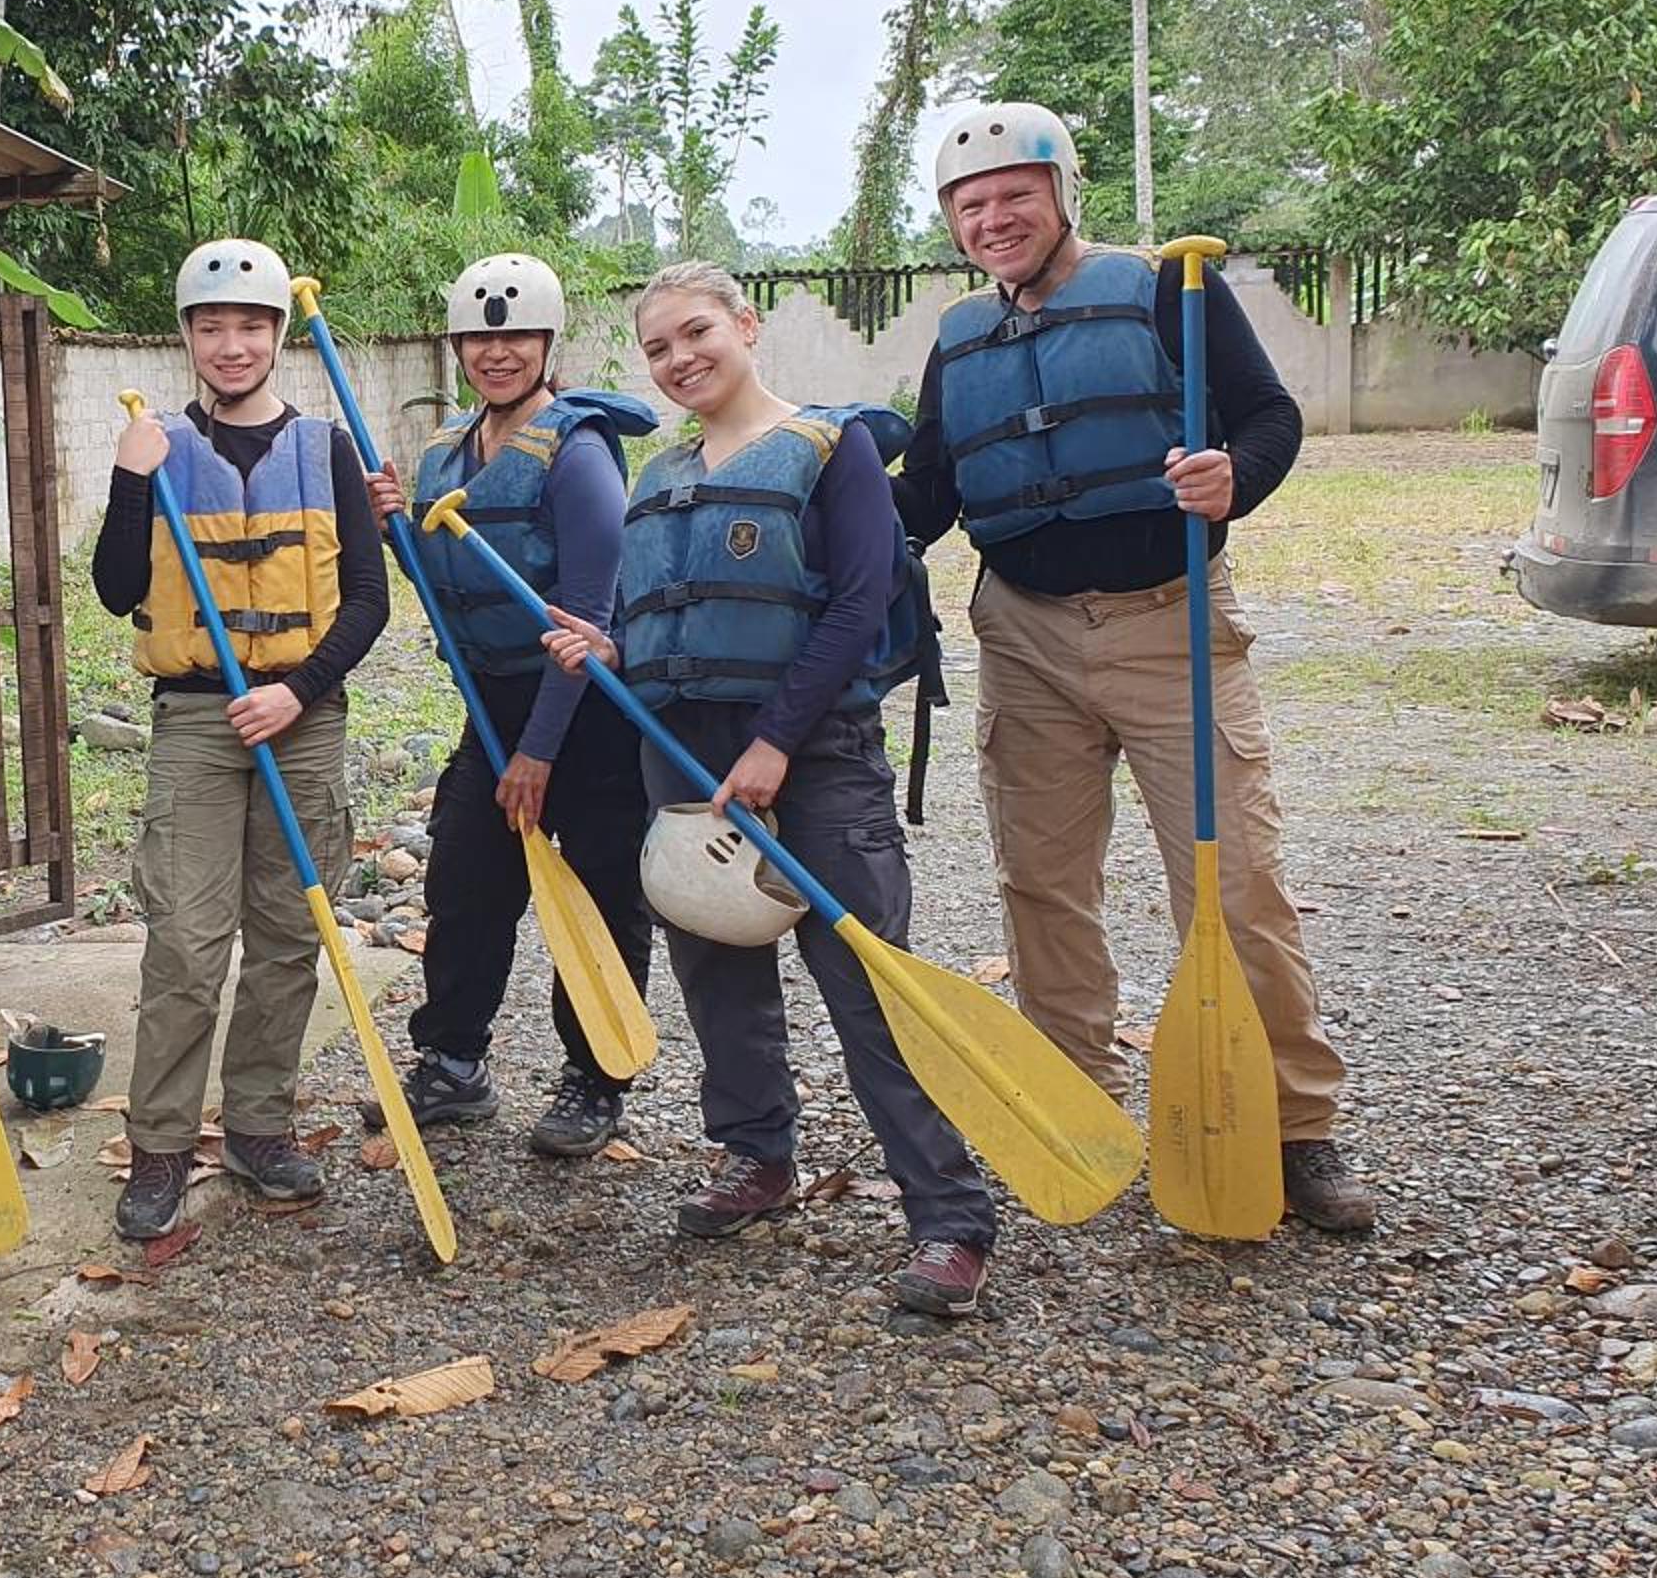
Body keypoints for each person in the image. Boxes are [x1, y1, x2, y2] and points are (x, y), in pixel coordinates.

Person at [897, 102, 1373, 1233]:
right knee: (1042, 885)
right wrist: (829, 493)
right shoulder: (960, 339)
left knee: (1235, 882)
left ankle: (1294, 1125)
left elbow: (1268, 416)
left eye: (1016, 194)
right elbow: (929, 496)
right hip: (1024, 637)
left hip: (1171, 625)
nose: (995, 218)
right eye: (972, 205)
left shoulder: (1169, 288)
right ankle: (1075, 1100)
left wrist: (1234, 477)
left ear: (1064, 193)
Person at [543, 260, 998, 1318]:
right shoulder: (658, 476)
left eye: (696, 333)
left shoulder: (834, 448)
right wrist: (608, 651)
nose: (680, 359)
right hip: (681, 752)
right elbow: (659, 618)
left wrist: (777, 743)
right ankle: (756, 1155)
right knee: (717, 964)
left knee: (867, 982)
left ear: (746, 326)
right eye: (658, 348)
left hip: (814, 748)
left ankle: (948, 1214)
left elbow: (856, 604)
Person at [92, 238, 389, 1240]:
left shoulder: (328, 450)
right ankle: (161, 1147)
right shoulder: (156, 443)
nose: (232, 344)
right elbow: (117, 589)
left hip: (302, 719)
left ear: (277, 336)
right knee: (185, 942)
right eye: (212, 327)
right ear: (186, 335)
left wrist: (296, 692)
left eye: (252, 326)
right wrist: (132, 478)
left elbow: (369, 601)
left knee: (287, 935)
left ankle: (260, 1127)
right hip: (195, 716)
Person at [356, 252, 659, 1157]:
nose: (497, 353)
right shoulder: (449, 450)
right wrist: (393, 528)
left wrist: (538, 752)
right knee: (464, 882)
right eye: (479, 339)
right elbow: (444, 584)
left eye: (517, 337)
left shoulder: (579, 453)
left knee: (600, 895)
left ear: (547, 344)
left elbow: (587, 616)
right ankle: (454, 1063)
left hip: (585, 708)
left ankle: (596, 1079)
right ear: (457, 347)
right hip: (492, 704)